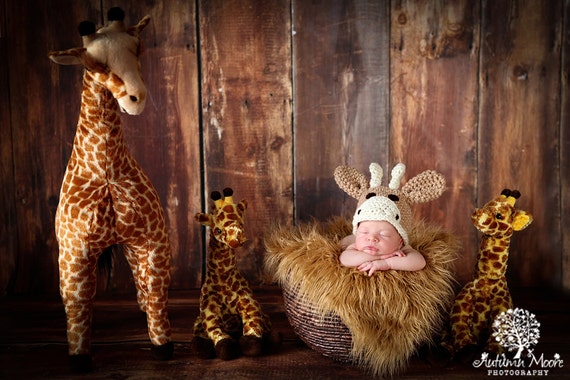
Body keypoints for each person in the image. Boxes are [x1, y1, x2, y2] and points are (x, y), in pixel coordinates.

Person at [339, 196, 426, 276]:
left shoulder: (401, 248)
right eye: (364, 232)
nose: (372, 238)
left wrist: (387, 263)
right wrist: (379, 257)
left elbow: (420, 262)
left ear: (400, 241)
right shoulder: (356, 246)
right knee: (343, 243)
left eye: (384, 235)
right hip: (351, 239)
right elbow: (344, 259)